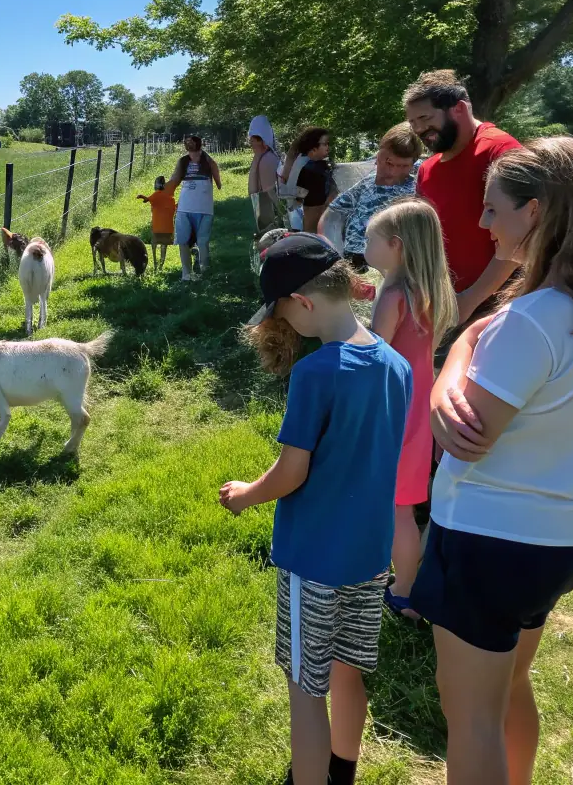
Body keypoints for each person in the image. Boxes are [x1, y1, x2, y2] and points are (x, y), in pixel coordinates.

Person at [410, 138, 573, 785]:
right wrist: (471, 340)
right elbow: (488, 348)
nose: (480, 222)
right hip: (566, 536)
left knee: (470, 719)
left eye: (491, 207)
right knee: (510, 686)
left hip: (488, 541)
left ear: (535, 212)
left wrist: (447, 370)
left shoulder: (531, 322)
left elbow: (463, 432)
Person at [220, 234, 412, 785]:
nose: (281, 323)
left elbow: (291, 472)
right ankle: (343, 772)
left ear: (302, 303)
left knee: (306, 689)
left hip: (315, 561)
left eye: (280, 310)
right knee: (349, 672)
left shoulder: (316, 374)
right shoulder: (396, 364)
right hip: (370, 555)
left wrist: (245, 495)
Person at [362, 198, 457, 619]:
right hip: (421, 403)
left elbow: (374, 352)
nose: (365, 246)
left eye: (371, 240)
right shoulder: (429, 290)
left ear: (395, 246)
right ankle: (403, 579)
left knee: (398, 506)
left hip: (392, 406)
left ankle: (403, 590)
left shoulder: (394, 294)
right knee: (406, 503)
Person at [402, 70, 521, 334]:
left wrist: (470, 299)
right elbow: (423, 236)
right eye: (413, 122)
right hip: (444, 301)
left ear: (459, 108)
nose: (419, 129)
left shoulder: (500, 151)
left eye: (425, 117)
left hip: (496, 306)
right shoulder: (427, 169)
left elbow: (522, 236)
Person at [319, 123, 423, 271]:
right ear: (379, 153)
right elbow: (333, 214)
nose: (392, 172)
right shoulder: (368, 181)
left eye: (403, 166)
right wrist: (333, 254)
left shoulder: (419, 183)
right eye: (388, 162)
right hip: (351, 262)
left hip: (391, 266)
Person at [165, 134, 221, 281]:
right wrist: (163, 190)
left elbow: (215, 170)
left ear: (198, 144)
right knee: (183, 241)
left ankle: (204, 272)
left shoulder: (207, 160)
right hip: (185, 208)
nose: (188, 144)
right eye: (186, 142)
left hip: (204, 209)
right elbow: (174, 180)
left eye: (191, 142)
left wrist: (218, 182)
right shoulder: (183, 161)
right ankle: (187, 274)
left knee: (202, 242)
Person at [281, 127, 337, 234]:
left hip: (302, 220)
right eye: (325, 144)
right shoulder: (312, 170)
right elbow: (318, 205)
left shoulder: (303, 162)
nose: (327, 148)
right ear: (313, 149)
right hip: (314, 224)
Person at [247, 115, 284, 239]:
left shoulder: (267, 159)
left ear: (263, 140)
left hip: (272, 221)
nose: (250, 141)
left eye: (254, 138)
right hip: (266, 217)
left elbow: (269, 193)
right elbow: (253, 193)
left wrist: (282, 218)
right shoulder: (261, 158)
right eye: (251, 138)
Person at [137, 175, 178, 272]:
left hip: (157, 227)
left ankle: (155, 264)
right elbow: (174, 209)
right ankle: (160, 266)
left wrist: (142, 196)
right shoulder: (170, 198)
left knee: (154, 243)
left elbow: (147, 200)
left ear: (156, 185)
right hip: (168, 228)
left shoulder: (156, 195)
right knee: (164, 246)